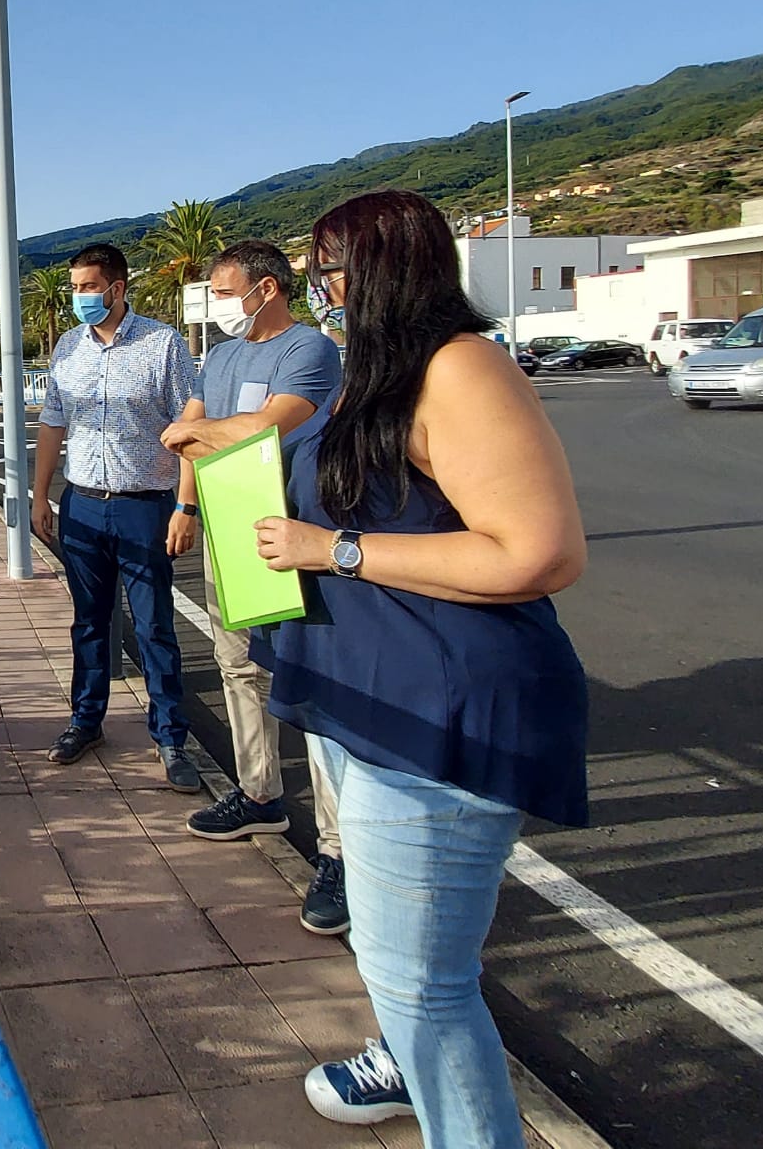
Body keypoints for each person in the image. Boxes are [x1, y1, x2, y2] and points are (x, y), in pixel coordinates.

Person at [252, 189, 589, 1144]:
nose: (323, 287)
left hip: (438, 719)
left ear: (384, 270)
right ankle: (400, 1066)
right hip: (373, 705)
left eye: (332, 268)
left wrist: (335, 551)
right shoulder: (379, 374)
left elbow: (539, 551)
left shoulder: (461, 369)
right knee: (404, 957)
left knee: (428, 991)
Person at [158, 239, 349, 935]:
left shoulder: (309, 351)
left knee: (310, 684)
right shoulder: (222, 354)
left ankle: (336, 852)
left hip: (295, 527)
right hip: (229, 519)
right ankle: (259, 793)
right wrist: (185, 504)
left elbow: (265, 429)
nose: (220, 304)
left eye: (227, 290)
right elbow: (204, 435)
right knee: (238, 666)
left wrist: (192, 431)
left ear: (267, 288)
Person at [29, 243, 200, 791]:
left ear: (117, 288)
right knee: (88, 622)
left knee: (154, 626)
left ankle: (171, 738)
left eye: (87, 287)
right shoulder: (67, 347)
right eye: (75, 286)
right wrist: (40, 498)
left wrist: (185, 506)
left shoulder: (162, 345)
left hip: (144, 506)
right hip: (81, 504)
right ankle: (86, 721)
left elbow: (191, 428)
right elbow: (53, 424)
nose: (80, 296)